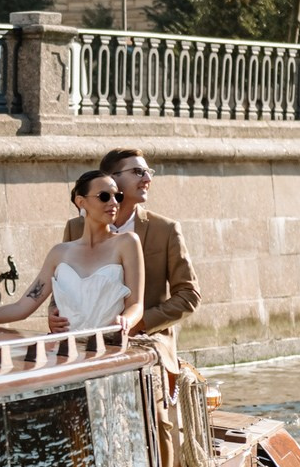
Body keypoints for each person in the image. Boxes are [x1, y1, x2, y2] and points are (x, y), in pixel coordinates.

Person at [0, 169, 144, 335]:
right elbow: (22, 307)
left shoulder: (127, 242)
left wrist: (125, 320)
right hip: (65, 351)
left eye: (118, 196)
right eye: (104, 196)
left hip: (110, 351)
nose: (114, 203)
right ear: (81, 202)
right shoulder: (59, 253)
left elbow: (136, 305)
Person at [51, 148, 199, 374]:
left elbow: (189, 296)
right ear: (111, 179)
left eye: (148, 172)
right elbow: (62, 283)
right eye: (138, 172)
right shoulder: (76, 227)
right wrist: (54, 313)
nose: (147, 179)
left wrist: (139, 323)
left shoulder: (165, 229)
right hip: (84, 340)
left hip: (146, 341)